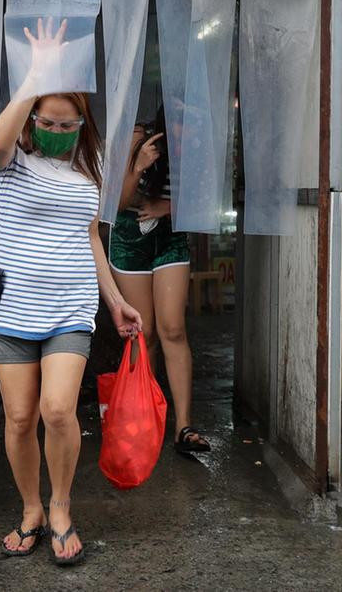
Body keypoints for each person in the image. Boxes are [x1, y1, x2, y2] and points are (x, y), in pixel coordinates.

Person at [0, 17, 142, 566]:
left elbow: (92, 239)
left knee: (57, 410)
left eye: (67, 122)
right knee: (20, 419)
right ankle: (30, 508)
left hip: (71, 304)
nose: (57, 129)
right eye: (47, 121)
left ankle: (60, 505)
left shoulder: (91, 167)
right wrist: (35, 75)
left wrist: (116, 298)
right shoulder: (10, 162)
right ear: (33, 119)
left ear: (81, 124)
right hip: (12, 308)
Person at [111, 107, 211, 455]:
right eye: (179, 122)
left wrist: (164, 208)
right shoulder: (138, 140)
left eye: (192, 123)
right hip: (128, 238)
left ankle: (183, 426)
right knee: (144, 332)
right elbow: (116, 202)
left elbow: (205, 201)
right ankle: (144, 420)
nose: (186, 131)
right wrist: (138, 163)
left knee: (173, 329)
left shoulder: (197, 149)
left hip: (169, 237)